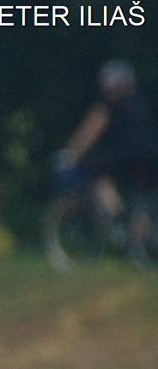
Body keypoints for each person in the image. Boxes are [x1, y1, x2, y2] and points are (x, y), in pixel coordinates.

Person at [59, 59, 158, 248]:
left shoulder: (107, 105)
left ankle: (117, 218)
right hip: (151, 157)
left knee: (97, 176)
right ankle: (143, 245)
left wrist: (72, 152)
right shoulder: (139, 104)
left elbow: (89, 134)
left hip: (125, 156)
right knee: (140, 196)